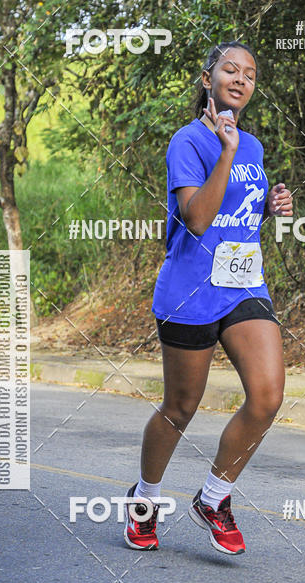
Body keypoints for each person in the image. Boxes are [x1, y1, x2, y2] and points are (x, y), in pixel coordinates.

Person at [124, 40, 293, 555]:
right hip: (190, 292)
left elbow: (235, 211)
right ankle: (144, 500)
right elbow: (197, 219)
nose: (241, 79)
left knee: (267, 396)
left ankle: (214, 497)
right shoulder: (189, 142)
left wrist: (269, 206)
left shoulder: (252, 146)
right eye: (230, 69)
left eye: (250, 73)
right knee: (180, 407)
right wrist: (226, 151)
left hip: (242, 285)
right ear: (208, 79)